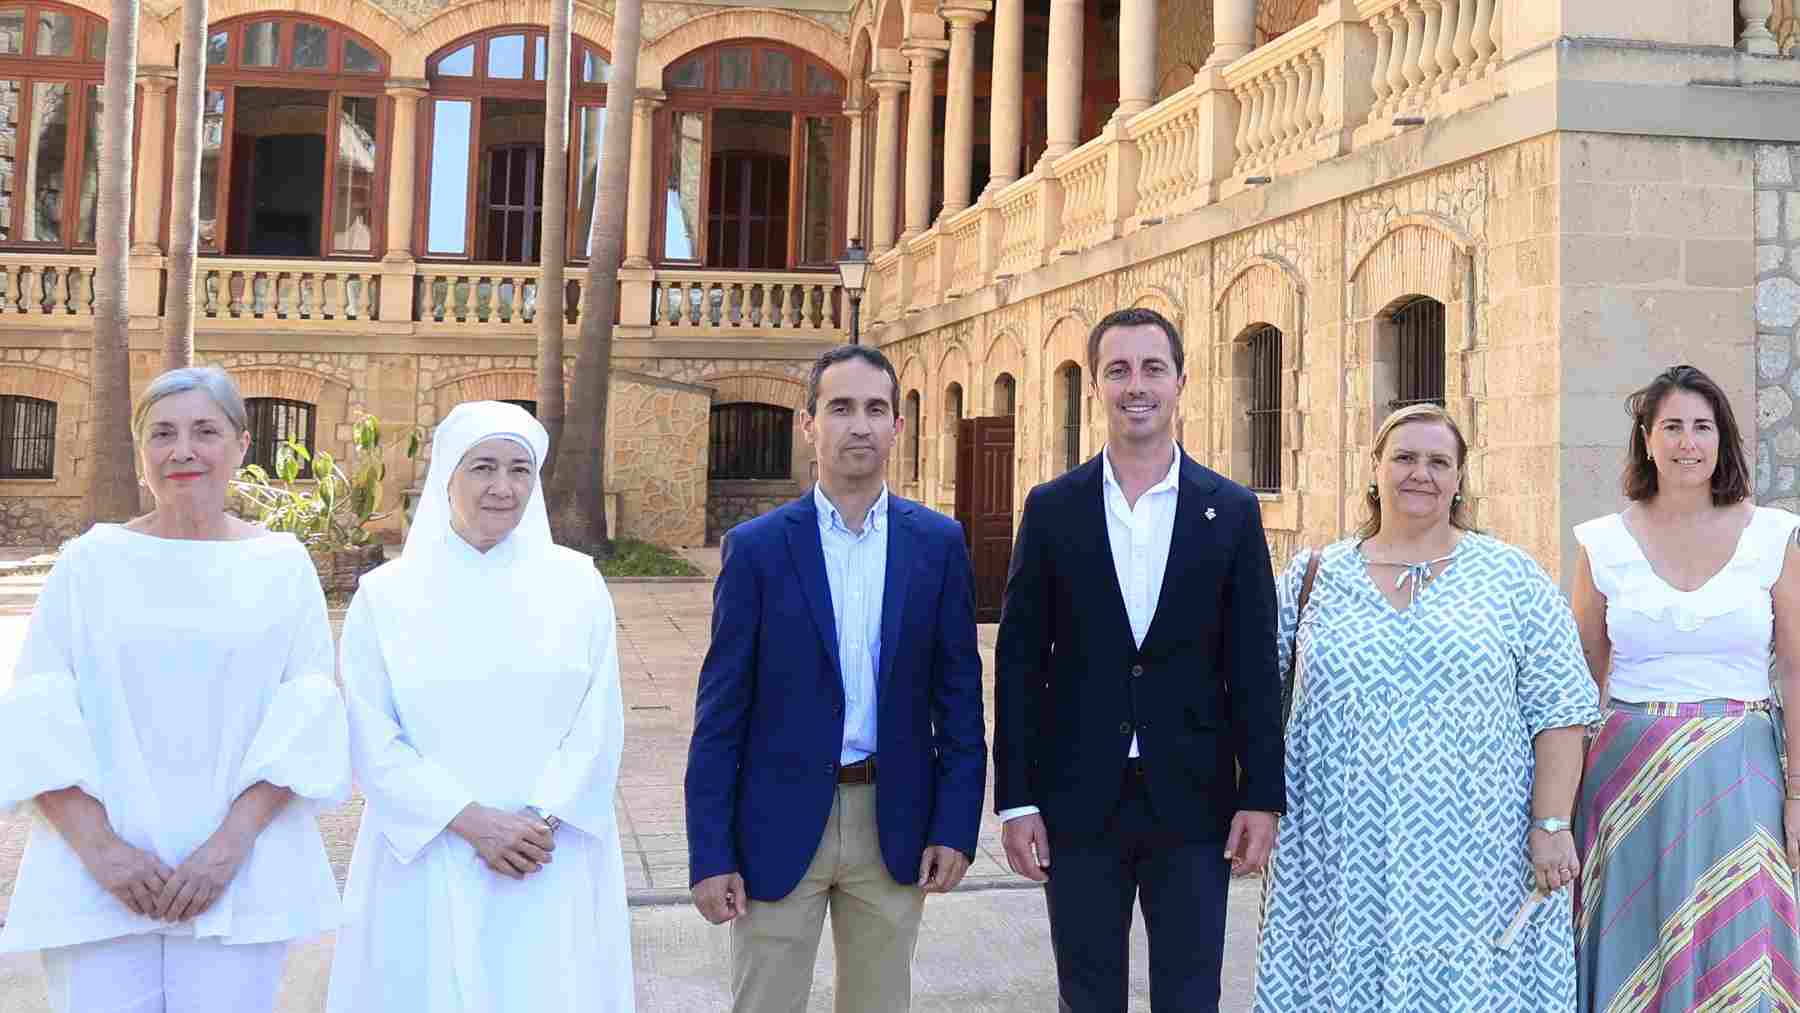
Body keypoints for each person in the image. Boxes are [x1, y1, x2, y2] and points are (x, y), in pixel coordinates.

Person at [0, 366, 350, 1012]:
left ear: (242, 446)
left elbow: (305, 714)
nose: (183, 449)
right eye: (162, 432)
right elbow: (37, 710)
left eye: (204, 430)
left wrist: (226, 849)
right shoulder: (88, 564)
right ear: (142, 452)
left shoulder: (281, 565)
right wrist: (103, 851)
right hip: (97, 878)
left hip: (238, 874)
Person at [1250, 402, 1599, 1010]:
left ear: (1460, 478)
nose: (1421, 473)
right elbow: (1248, 695)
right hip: (1337, 852)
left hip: (1480, 853)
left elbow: (1562, 709)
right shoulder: (1312, 578)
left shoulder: (1511, 577)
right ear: (1375, 468)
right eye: (1405, 458)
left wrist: (1551, 824)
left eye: (1439, 461)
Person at [994, 307, 1281, 1011]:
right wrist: (1018, 798)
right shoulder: (1053, 508)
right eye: (1118, 369)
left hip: (1194, 798)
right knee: (1086, 994)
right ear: (1095, 384)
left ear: (1182, 380)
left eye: (1152, 367)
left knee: (1190, 994)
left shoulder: (1232, 511)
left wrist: (1262, 794)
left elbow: (1252, 667)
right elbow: (1021, 662)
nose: (1136, 385)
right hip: (1077, 797)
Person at [684, 344, 987, 1013]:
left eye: (876, 408)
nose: (859, 424)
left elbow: (960, 701)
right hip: (777, 820)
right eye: (841, 407)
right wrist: (710, 850)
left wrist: (956, 824)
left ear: (897, 427)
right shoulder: (759, 549)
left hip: (895, 819)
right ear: (808, 423)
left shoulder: (937, 544)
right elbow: (720, 714)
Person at [324, 400, 633, 1013]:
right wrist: (473, 823)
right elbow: (371, 734)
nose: (502, 486)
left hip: (549, 854)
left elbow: (598, 725)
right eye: (483, 467)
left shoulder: (577, 585)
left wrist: (537, 825)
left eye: (519, 470)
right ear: (448, 475)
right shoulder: (385, 597)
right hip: (428, 850)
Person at [1571, 365, 1800, 1011]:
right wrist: (1557, 811)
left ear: (1722, 440)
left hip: (1742, 769)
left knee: (1740, 946)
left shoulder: (1772, 534)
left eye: (1702, 427)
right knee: (1635, 943)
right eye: (1671, 425)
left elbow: (1795, 668)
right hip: (1627, 775)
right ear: (1646, 438)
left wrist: (1797, 793)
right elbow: (1581, 678)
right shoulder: (1602, 542)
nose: (1687, 442)